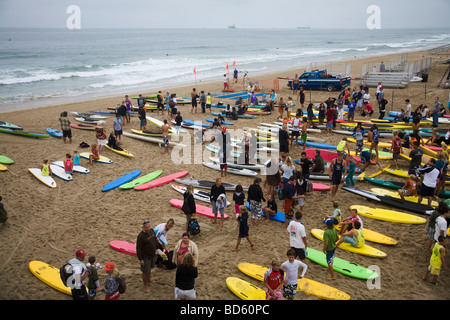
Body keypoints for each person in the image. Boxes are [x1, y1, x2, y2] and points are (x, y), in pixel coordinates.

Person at [136, 220, 157, 293]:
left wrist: (157, 249)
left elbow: (155, 240)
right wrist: (141, 259)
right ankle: (146, 285)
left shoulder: (152, 231)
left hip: (152, 255)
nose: (148, 228)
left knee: (150, 268)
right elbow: (138, 249)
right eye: (146, 227)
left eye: (149, 227)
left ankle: (149, 279)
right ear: (143, 227)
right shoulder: (141, 236)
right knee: (145, 271)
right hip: (145, 256)